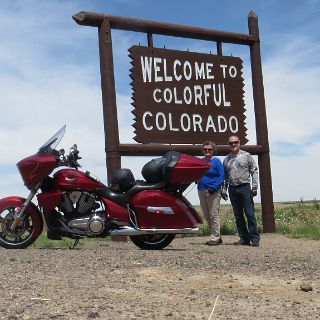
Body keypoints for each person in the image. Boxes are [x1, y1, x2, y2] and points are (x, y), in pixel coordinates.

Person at [222, 135, 260, 247]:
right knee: (238, 215)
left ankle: (254, 238)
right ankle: (243, 238)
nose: (233, 144)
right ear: (228, 145)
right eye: (231, 143)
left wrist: (255, 187)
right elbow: (225, 177)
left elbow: (254, 170)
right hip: (232, 189)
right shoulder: (227, 159)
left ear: (239, 143)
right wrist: (224, 190)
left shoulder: (246, 155)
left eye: (236, 142)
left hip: (245, 187)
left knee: (249, 213)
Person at [197, 141, 224, 246]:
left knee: (213, 215)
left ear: (213, 150)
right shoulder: (200, 161)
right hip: (201, 190)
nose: (207, 151)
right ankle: (217, 236)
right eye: (205, 149)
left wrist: (215, 187)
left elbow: (222, 176)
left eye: (209, 149)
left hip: (213, 191)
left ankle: (215, 238)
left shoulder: (217, 162)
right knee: (207, 215)